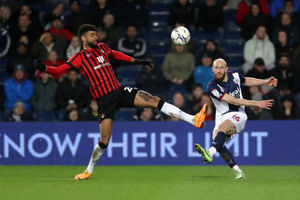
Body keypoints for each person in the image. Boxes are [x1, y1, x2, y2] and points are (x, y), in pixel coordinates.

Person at [34, 24, 207, 180]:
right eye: (92, 35)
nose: (96, 38)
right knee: (104, 141)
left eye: (96, 35)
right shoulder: (79, 58)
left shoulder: (102, 48)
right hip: (104, 100)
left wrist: (136, 61)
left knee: (153, 100)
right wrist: (44, 68)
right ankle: (89, 170)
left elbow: (115, 54)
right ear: (84, 38)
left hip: (119, 90)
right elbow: (57, 71)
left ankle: (193, 119)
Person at [194, 58, 277, 179]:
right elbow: (233, 100)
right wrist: (257, 103)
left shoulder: (235, 74)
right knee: (218, 142)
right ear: (212, 70)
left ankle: (209, 153)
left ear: (226, 69)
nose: (219, 70)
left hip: (238, 114)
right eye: (216, 68)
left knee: (221, 131)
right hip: (221, 115)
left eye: (221, 67)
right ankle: (238, 171)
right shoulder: (212, 87)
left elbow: (246, 80)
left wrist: (265, 82)